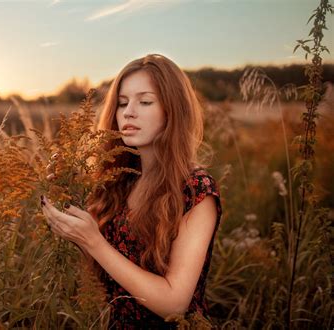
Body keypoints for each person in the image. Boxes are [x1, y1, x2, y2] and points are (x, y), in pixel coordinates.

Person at [41, 53, 222, 329]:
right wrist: (68, 194)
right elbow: (108, 272)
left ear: (173, 110)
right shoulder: (121, 182)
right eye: (122, 103)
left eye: (145, 101)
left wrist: (94, 242)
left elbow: (175, 303)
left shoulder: (197, 189)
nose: (128, 112)